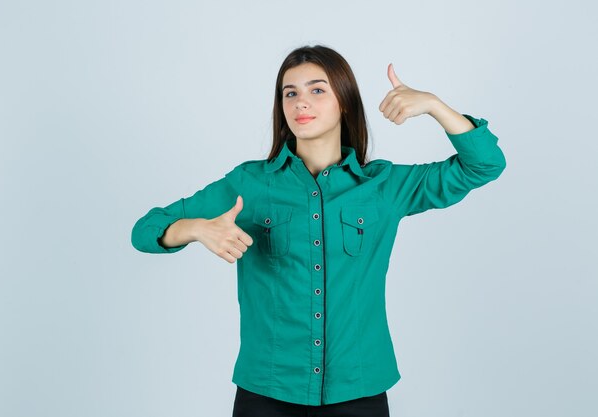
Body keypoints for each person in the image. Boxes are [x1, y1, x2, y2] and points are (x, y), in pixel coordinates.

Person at [131, 44, 506, 417]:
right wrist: (195, 228)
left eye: (316, 90)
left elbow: (484, 164)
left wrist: (434, 106)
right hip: (267, 392)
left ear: (344, 101)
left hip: (359, 391)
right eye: (289, 93)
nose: (300, 103)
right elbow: (145, 229)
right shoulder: (249, 183)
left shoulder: (384, 186)